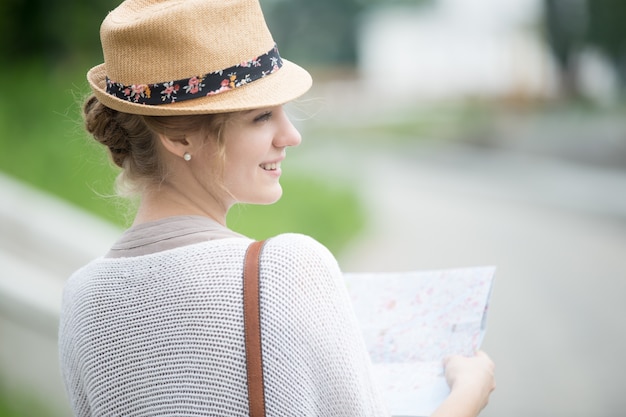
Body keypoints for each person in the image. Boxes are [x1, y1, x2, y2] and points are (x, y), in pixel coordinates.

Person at [58, 0, 495, 416]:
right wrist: (468, 395)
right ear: (179, 137)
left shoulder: (80, 298)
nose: (290, 136)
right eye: (261, 117)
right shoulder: (286, 269)